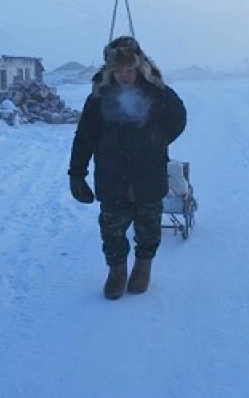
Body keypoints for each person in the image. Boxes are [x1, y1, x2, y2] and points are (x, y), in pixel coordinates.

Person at [68, 36, 187, 300]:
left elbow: (178, 119)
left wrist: (158, 140)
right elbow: (84, 136)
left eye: (129, 70)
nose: (124, 76)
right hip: (113, 175)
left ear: (139, 66)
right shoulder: (99, 97)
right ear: (110, 69)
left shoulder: (158, 92)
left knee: (148, 226)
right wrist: (77, 173)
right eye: (118, 71)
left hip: (148, 174)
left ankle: (143, 267)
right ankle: (117, 272)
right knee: (111, 229)